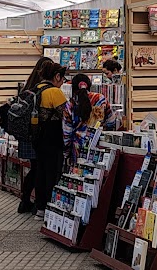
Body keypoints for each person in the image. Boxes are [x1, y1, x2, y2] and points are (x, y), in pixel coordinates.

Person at [29, 60, 70, 218]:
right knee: (52, 172)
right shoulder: (54, 92)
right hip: (53, 136)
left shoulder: (37, 88)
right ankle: (50, 206)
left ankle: (40, 207)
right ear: (57, 76)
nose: (62, 83)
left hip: (38, 136)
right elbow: (66, 115)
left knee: (40, 170)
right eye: (62, 79)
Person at [13, 58, 50, 214]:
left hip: (26, 135)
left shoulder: (29, 88)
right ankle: (37, 203)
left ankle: (25, 199)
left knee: (34, 168)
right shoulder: (44, 90)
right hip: (39, 136)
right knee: (40, 169)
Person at [63, 73, 111, 161]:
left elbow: (66, 132)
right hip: (99, 144)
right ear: (89, 85)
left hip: (78, 148)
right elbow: (111, 121)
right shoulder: (100, 99)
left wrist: (66, 154)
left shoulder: (70, 104)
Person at [101, 57, 126, 123]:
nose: (106, 76)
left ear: (115, 70)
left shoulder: (124, 82)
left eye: (107, 73)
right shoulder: (110, 83)